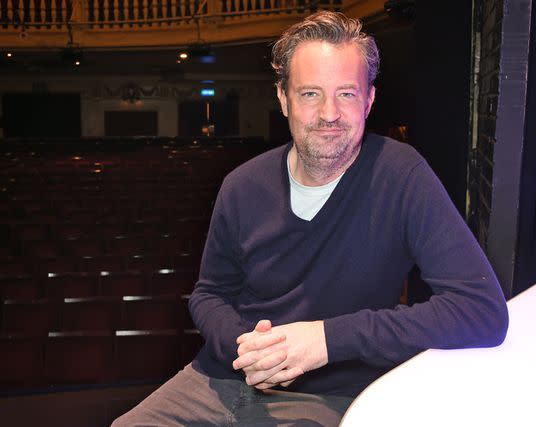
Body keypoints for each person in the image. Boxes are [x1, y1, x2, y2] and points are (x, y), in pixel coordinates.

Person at [113, 10, 508, 426]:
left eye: (347, 94)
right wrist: (244, 349)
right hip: (222, 378)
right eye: (310, 94)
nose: (329, 113)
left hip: (327, 395)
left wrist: (325, 339)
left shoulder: (402, 175)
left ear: (369, 100)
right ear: (283, 98)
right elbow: (209, 294)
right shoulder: (240, 185)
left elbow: (481, 311)